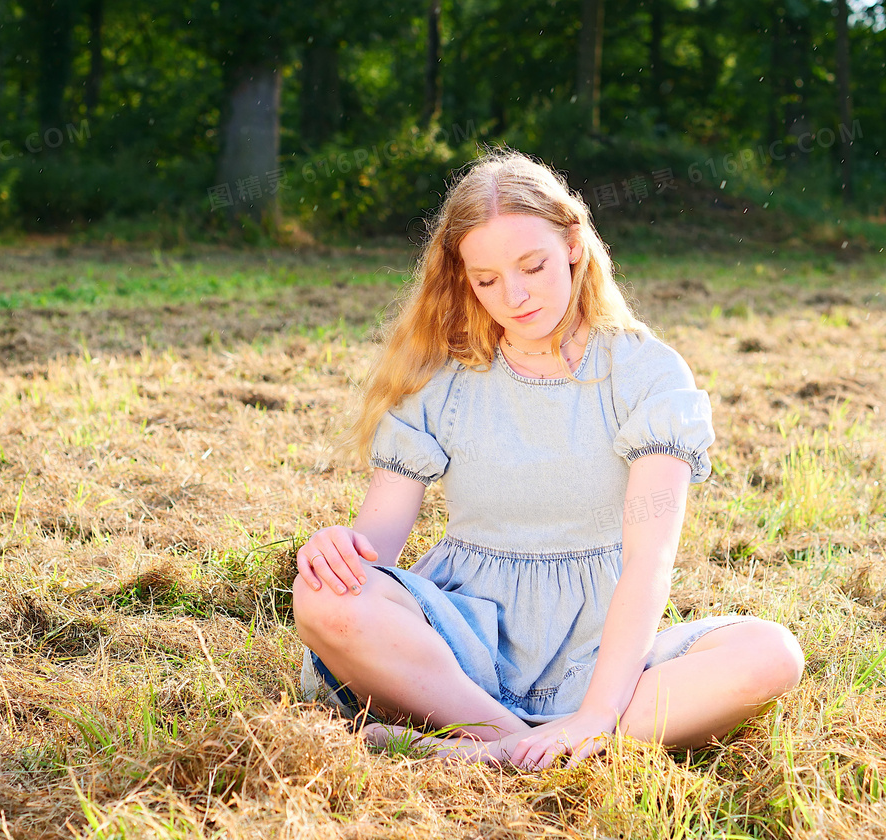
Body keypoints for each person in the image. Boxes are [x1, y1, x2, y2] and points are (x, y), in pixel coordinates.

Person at [291, 148, 804, 769]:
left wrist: (594, 711)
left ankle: (499, 746)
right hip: (460, 648)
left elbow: (649, 559)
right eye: (485, 280)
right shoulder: (442, 381)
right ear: (462, 279)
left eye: (532, 266)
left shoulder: (645, 375)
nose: (514, 296)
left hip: (603, 652)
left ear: (573, 246)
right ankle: (514, 742)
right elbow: (376, 544)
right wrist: (336, 549)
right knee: (323, 597)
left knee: (771, 653)